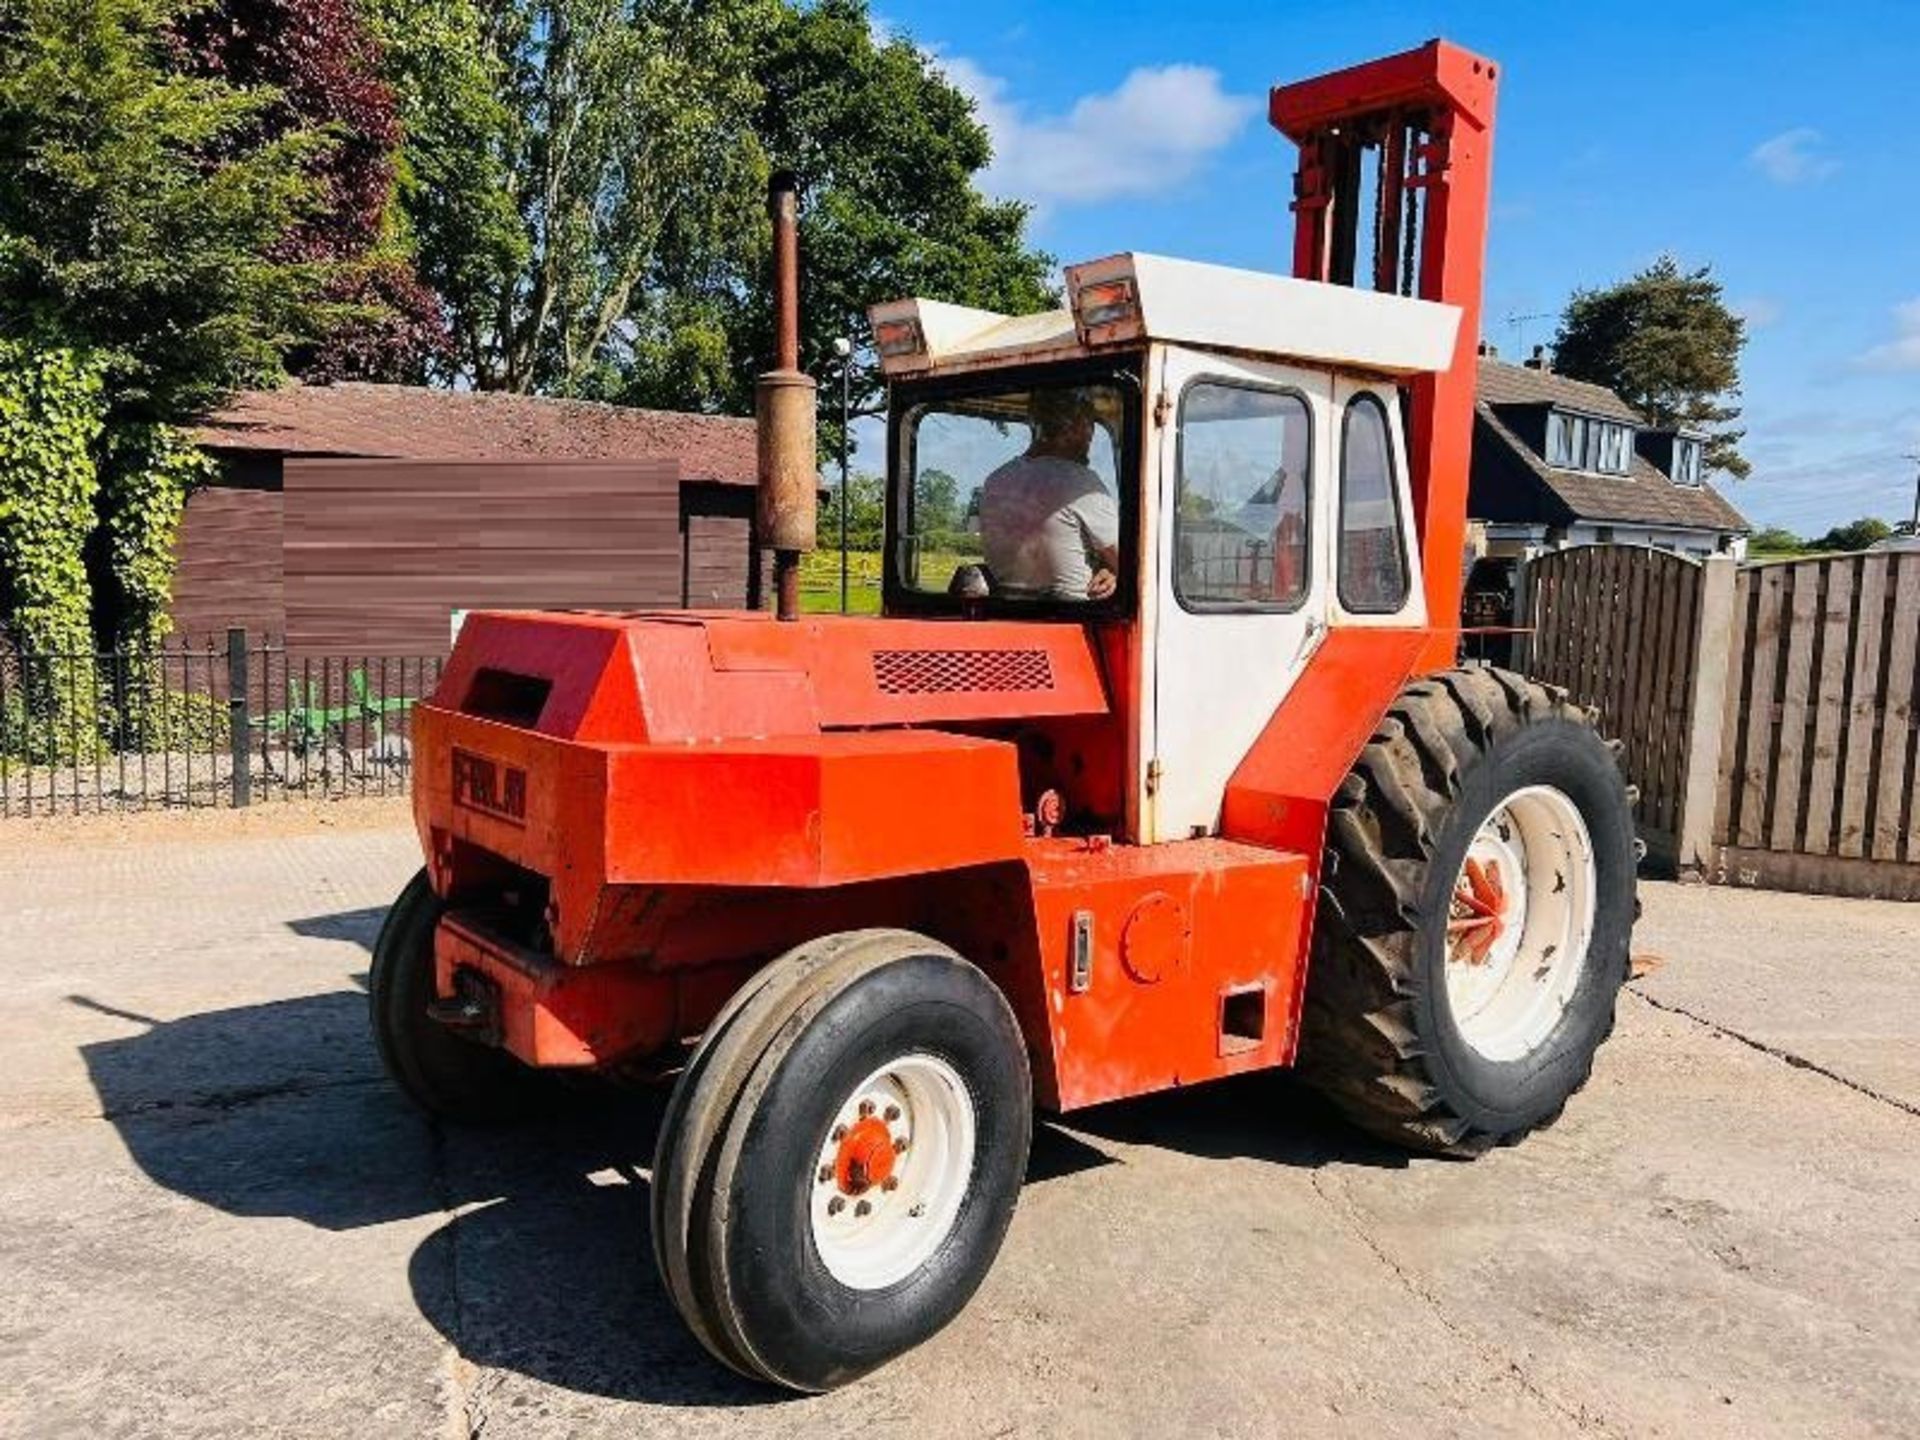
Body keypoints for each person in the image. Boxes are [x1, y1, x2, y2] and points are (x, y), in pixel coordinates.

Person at [978, 388, 1119, 601]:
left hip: (1009, 611)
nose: (1089, 440)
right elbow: (1133, 566)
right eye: (1089, 429)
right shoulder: (1081, 483)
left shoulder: (995, 480)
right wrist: (1115, 572)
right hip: (1076, 616)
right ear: (1078, 427)